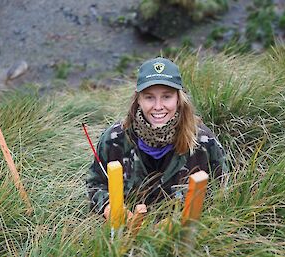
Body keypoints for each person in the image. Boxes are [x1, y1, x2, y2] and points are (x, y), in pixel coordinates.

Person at [86, 57, 228, 217]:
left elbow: (221, 193)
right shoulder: (114, 139)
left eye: (167, 97)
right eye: (149, 97)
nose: (158, 106)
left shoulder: (204, 142)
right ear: (138, 99)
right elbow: (95, 183)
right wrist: (108, 208)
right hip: (125, 236)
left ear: (179, 99)